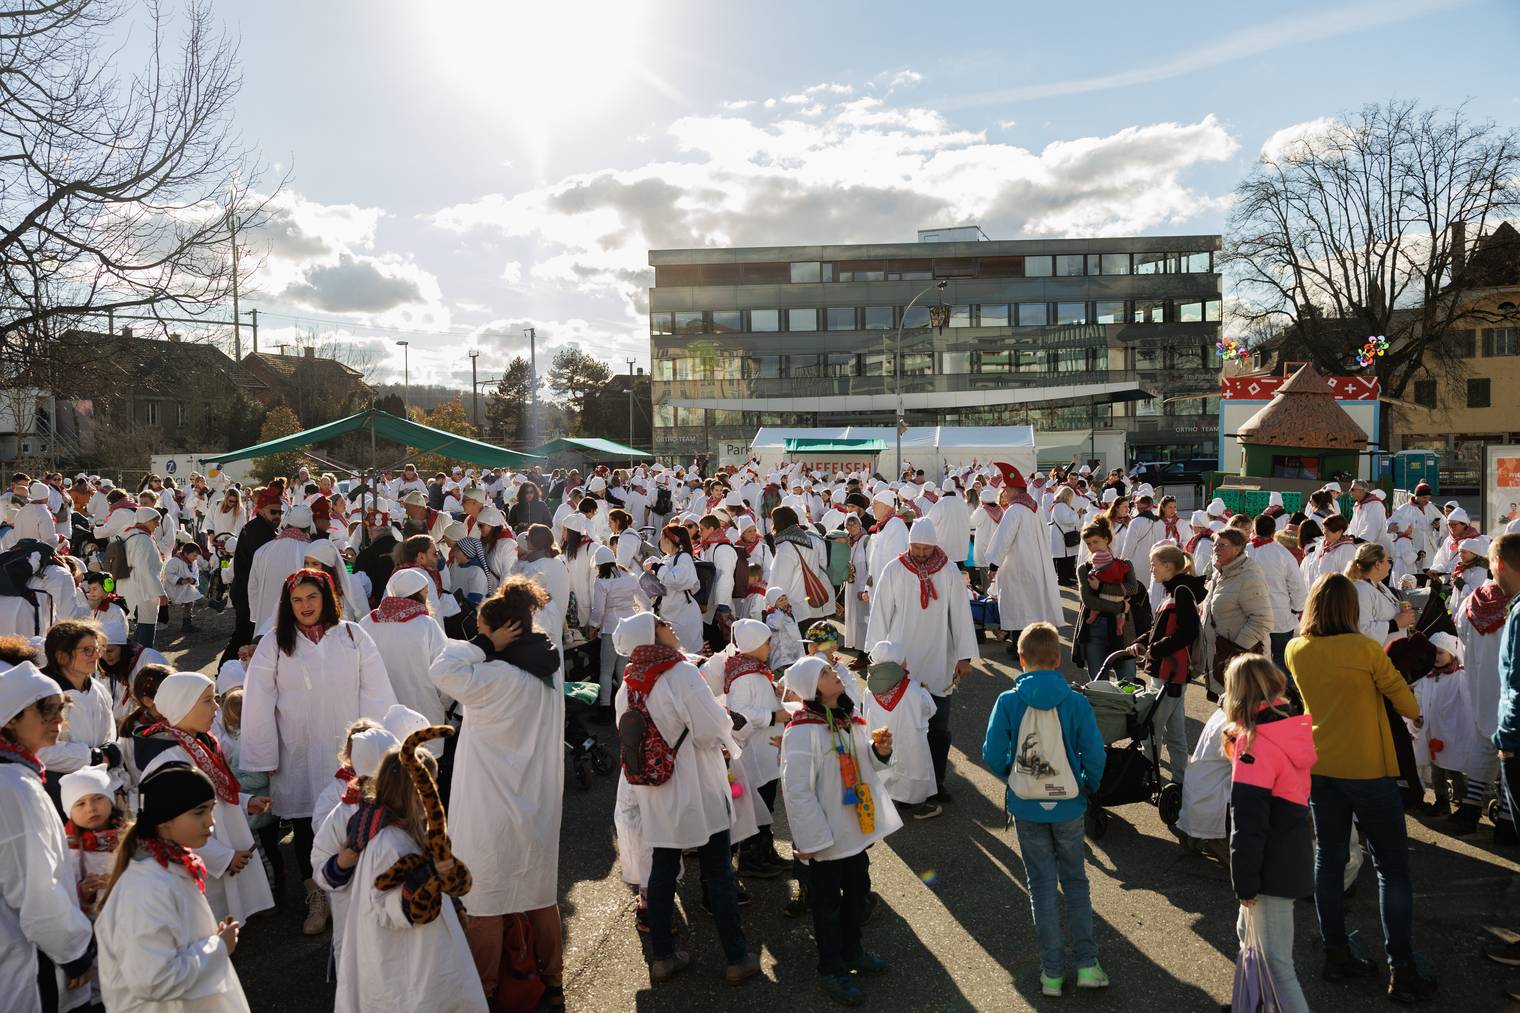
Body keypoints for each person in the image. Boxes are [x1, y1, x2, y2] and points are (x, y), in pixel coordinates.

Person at [1284, 573, 1435, 1002]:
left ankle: (1336, 953)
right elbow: (1402, 698)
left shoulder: (1297, 649)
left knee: (1328, 858)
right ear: (1351, 608)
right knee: (1391, 867)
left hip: (1320, 763)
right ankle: (1401, 967)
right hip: (1367, 766)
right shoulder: (1365, 648)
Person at [430, 577, 567, 1007]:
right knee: (540, 896)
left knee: (484, 902)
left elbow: (440, 668)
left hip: (489, 805)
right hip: (538, 803)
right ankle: (554, 981)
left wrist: (485, 645)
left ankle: (485, 991)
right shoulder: (548, 669)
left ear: (502, 632)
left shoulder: (493, 676)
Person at [241, 568, 397, 936]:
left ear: (327, 598)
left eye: (311, 597)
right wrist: (263, 758)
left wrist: (376, 749)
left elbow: (375, 692)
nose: (305, 606)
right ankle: (318, 895)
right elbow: (258, 702)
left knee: (350, 818)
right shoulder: (275, 643)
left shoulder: (352, 636)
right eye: (297, 600)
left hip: (347, 748)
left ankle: (354, 892)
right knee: (304, 822)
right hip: (297, 748)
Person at [612, 612, 759, 986]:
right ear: (650, 634)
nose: (671, 625)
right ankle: (737, 957)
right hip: (697, 787)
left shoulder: (628, 684)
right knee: (718, 872)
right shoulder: (680, 674)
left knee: (661, 869)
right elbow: (711, 730)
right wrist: (727, 725)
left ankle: (662, 957)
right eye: (662, 622)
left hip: (656, 792)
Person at [981, 623, 1108, 997]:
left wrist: (1014, 778)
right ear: (1057, 659)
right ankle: (1087, 965)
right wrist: (1087, 783)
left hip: (1027, 806)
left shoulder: (1008, 701)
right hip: (1068, 803)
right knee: (1076, 882)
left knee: (1041, 886)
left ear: (1020, 660)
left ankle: (1052, 973)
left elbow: (991, 753)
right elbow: (1095, 752)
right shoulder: (1075, 701)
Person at [781, 654, 900, 1006]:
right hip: (827, 836)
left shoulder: (848, 719)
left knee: (859, 892)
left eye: (831, 670)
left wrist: (878, 752)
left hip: (853, 829)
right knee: (828, 905)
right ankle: (830, 968)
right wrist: (813, 839)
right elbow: (796, 789)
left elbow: (859, 759)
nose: (835, 675)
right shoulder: (801, 731)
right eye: (826, 673)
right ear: (812, 689)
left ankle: (852, 951)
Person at [333, 747, 487, 1013]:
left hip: (421, 948)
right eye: (431, 787)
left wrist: (454, 903)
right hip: (407, 957)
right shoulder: (390, 844)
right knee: (418, 1000)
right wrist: (430, 878)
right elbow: (387, 904)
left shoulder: (405, 832)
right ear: (415, 792)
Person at [95, 763, 250, 1012]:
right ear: (164, 820)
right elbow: (155, 980)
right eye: (199, 812)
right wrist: (218, 947)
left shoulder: (169, 865)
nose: (210, 822)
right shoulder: (146, 887)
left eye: (211, 810)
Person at [134, 671, 276, 924]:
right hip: (206, 859)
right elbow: (171, 824)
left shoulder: (200, 742)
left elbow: (216, 793)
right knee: (209, 924)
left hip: (222, 846)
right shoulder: (168, 760)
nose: (217, 707)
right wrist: (222, 856)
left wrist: (245, 802)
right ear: (183, 705)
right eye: (208, 701)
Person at [0, 658, 96, 1013]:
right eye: (45, 712)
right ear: (10, 720)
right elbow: (36, 892)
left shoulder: (14, 776)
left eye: (60, 710)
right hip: (28, 962)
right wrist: (75, 954)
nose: (58, 720)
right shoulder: (14, 786)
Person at [1222, 654, 1315, 1013]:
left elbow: (1248, 825)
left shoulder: (1254, 746)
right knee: (1248, 936)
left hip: (1269, 870)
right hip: (1289, 854)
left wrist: (1244, 882)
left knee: (1277, 962)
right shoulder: (1290, 728)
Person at [864, 517, 977, 806]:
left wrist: (964, 657)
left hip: (940, 656)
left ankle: (936, 782)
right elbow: (880, 613)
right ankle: (898, 785)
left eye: (927, 549)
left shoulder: (949, 570)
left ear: (935, 546)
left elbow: (961, 615)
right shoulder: (895, 569)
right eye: (916, 547)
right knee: (902, 725)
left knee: (939, 724)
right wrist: (876, 656)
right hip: (902, 661)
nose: (921, 554)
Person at [310, 724, 400, 977]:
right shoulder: (345, 811)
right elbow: (320, 859)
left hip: (399, 907)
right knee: (362, 971)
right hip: (355, 907)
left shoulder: (407, 806)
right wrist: (341, 864)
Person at [1126, 543, 1203, 782]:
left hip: (1170, 670)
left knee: (1152, 728)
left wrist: (1155, 649)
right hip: (1170, 670)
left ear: (1168, 566)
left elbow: (1186, 632)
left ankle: (1147, 778)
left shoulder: (1179, 591)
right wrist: (1142, 641)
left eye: (1154, 565)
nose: (1151, 569)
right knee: (1175, 731)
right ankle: (1181, 778)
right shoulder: (1175, 590)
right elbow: (1158, 629)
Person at [38, 618, 127, 812]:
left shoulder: (97, 689)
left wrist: (111, 756)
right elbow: (40, 750)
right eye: (87, 650)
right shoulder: (42, 694)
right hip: (56, 791)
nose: (96, 656)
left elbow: (109, 737)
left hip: (98, 788)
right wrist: (93, 757)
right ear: (62, 656)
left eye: (97, 649)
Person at [723, 618, 788, 879]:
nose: (770, 646)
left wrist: (776, 692)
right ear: (752, 645)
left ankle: (764, 850)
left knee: (766, 803)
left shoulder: (754, 670)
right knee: (757, 805)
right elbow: (739, 717)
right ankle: (752, 858)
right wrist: (774, 717)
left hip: (766, 750)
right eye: (767, 642)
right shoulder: (744, 676)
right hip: (755, 754)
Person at [984, 466, 1063, 659]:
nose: (1005, 493)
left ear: (1014, 490)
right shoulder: (1034, 507)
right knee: (1032, 605)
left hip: (1017, 566)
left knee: (1018, 606)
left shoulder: (1015, 510)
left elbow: (1003, 539)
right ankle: (1032, 644)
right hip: (1035, 563)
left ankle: (1019, 646)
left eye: (1007, 489)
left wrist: (994, 565)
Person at [359, 569, 450, 727]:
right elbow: (444, 670)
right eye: (426, 591)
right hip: (422, 712)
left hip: (378, 713)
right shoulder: (426, 625)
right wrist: (447, 705)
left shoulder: (366, 622)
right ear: (418, 593)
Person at [860, 639, 937, 818]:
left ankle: (886, 806)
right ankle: (918, 806)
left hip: (882, 741)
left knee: (884, 770)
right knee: (912, 769)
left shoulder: (869, 690)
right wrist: (925, 691)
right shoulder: (911, 688)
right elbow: (929, 709)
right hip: (908, 740)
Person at [1200, 529, 1274, 699]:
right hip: (1221, 661)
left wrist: (1235, 653)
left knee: (1243, 715)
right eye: (1215, 545)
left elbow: (1262, 620)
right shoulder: (1222, 572)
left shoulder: (1248, 576)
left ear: (1238, 548)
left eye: (1222, 545)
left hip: (1241, 664)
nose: (1216, 549)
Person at [223, 483, 283, 665]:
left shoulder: (262, 528)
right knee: (243, 635)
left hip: (249, 591)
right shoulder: (258, 531)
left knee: (246, 635)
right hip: (247, 592)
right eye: (273, 512)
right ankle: (224, 670)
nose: (277, 516)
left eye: (280, 513)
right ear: (262, 510)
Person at [1072, 521, 1139, 681]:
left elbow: (1133, 589)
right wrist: (1120, 606)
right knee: (1098, 684)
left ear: (1107, 539)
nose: (1092, 546)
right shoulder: (1084, 568)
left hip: (1123, 631)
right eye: (1088, 543)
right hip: (1094, 629)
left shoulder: (1125, 564)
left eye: (1096, 541)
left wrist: (1102, 587)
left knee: (1127, 682)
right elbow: (1089, 601)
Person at [1247, 513, 1308, 676]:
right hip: (1279, 616)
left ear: (1254, 529)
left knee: (1252, 660)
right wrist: (1297, 608)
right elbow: (1297, 586)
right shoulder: (1283, 554)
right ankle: (1284, 696)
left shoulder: (1244, 552)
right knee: (1281, 660)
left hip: (1250, 615)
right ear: (1274, 532)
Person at [588, 544, 643, 712]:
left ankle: (605, 708)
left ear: (599, 565)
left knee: (606, 670)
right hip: (629, 626)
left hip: (611, 628)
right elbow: (643, 600)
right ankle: (625, 707)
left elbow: (598, 610)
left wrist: (592, 626)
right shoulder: (630, 576)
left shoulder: (601, 581)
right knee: (623, 669)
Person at [769, 506, 833, 631]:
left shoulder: (786, 546)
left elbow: (779, 582)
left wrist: (772, 601)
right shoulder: (807, 540)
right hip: (812, 604)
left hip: (795, 608)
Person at [645, 523, 704, 653]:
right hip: (670, 616)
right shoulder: (669, 558)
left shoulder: (684, 558)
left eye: (661, 537)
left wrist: (657, 568)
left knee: (687, 658)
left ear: (667, 540)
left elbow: (675, 580)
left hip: (683, 617)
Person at [1345, 542, 1415, 646]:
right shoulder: (1361, 590)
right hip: (1375, 658)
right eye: (1388, 561)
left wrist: (1402, 612)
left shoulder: (1379, 585)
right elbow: (1362, 630)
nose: (1390, 565)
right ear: (1378, 564)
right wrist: (1396, 623)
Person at [1047, 486, 1081, 586]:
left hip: (1064, 536)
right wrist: (1077, 515)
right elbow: (1065, 520)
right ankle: (1062, 579)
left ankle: (1066, 578)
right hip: (1061, 537)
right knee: (1062, 560)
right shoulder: (1060, 506)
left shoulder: (1062, 506)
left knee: (1066, 559)